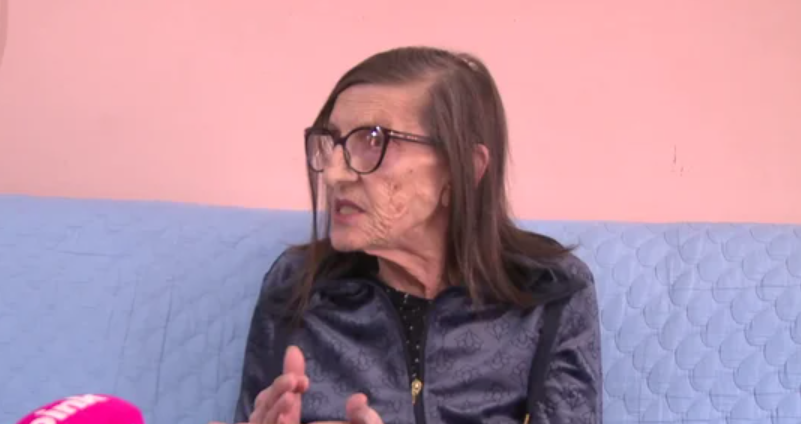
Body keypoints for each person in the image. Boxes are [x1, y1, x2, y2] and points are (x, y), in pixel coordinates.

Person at [223, 46, 602, 424]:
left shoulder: (551, 290)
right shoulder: (298, 285)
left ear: (462, 169)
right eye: (333, 141)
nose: (334, 174)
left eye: (374, 140)